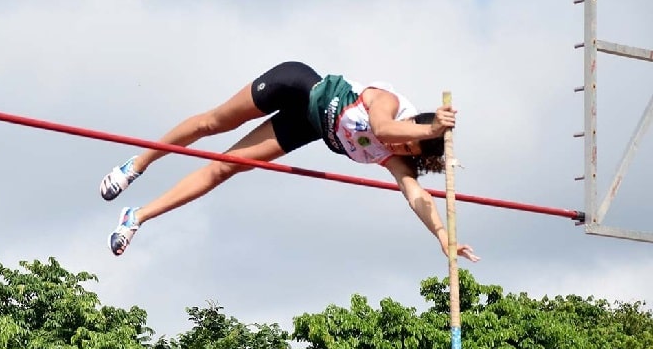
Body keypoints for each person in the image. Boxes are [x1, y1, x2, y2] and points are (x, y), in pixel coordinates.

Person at [99, 61, 478, 262]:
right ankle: (137, 165)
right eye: (409, 142)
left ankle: (138, 216)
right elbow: (383, 127)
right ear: (413, 125)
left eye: (409, 154)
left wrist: (444, 237)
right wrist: (426, 133)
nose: (401, 151)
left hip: (304, 126)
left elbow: (417, 197)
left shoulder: (393, 157)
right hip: (297, 85)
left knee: (223, 167)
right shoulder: (391, 104)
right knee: (212, 123)